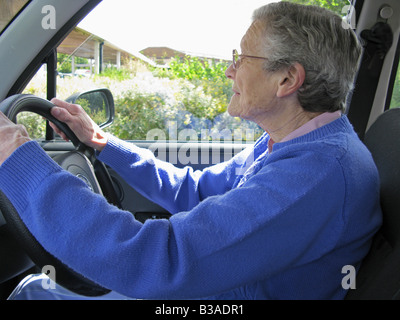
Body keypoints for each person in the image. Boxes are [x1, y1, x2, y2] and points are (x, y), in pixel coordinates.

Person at [0, 2, 382, 300]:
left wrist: (18, 158)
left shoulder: (318, 174)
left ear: (287, 79)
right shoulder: (289, 143)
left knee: (35, 292)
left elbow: (159, 260)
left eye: (242, 58)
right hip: (216, 291)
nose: (230, 71)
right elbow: (195, 190)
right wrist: (102, 143)